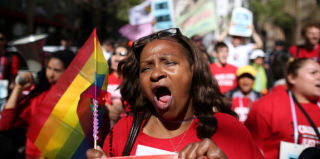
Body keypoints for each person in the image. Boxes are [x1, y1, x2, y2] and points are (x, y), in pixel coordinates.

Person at [86, 28, 263, 159]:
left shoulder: (230, 130)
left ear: (193, 70)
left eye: (169, 63)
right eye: (146, 67)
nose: (156, 74)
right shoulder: (124, 131)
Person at [0, 50, 75, 158]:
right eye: (49, 68)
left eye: (57, 70)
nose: (50, 74)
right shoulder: (39, 95)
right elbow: (5, 124)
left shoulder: (76, 97)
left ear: (69, 71)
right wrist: (18, 88)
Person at [245, 58, 320, 159]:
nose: (319, 76)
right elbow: (249, 149)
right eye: (313, 72)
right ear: (292, 78)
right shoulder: (267, 105)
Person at [105, 42, 128, 128]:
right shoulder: (103, 80)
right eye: (114, 53)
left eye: (122, 54)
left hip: (127, 125)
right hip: (106, 126)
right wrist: (108, 108)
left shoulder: (134, 82)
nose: (117, 56)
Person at [0, 32, 19, 112]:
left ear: (4, 41)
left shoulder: (11, 57)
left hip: (3, 90)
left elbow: (13, 74)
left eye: (1, 39)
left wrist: (12, 84)